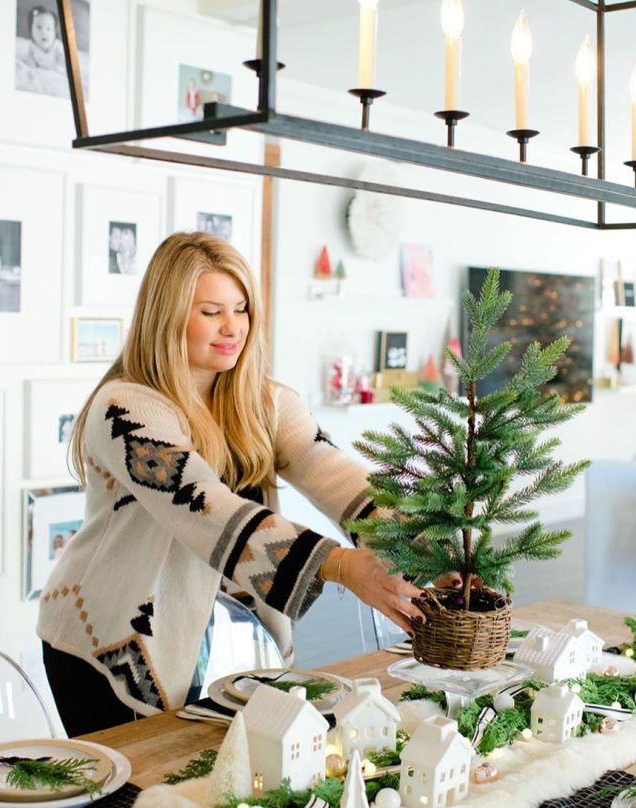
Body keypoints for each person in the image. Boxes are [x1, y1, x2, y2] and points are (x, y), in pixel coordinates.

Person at [37, 232, 427, 736]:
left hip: (231, 636)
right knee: (136, 801)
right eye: (210, 311)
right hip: (108, 641)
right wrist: (343, 565)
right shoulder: (126, 408)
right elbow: (204, 505)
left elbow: (329, 468)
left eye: (241, 309)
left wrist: (429, 548)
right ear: (167, 315)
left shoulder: (263, 402)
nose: (232, 327)